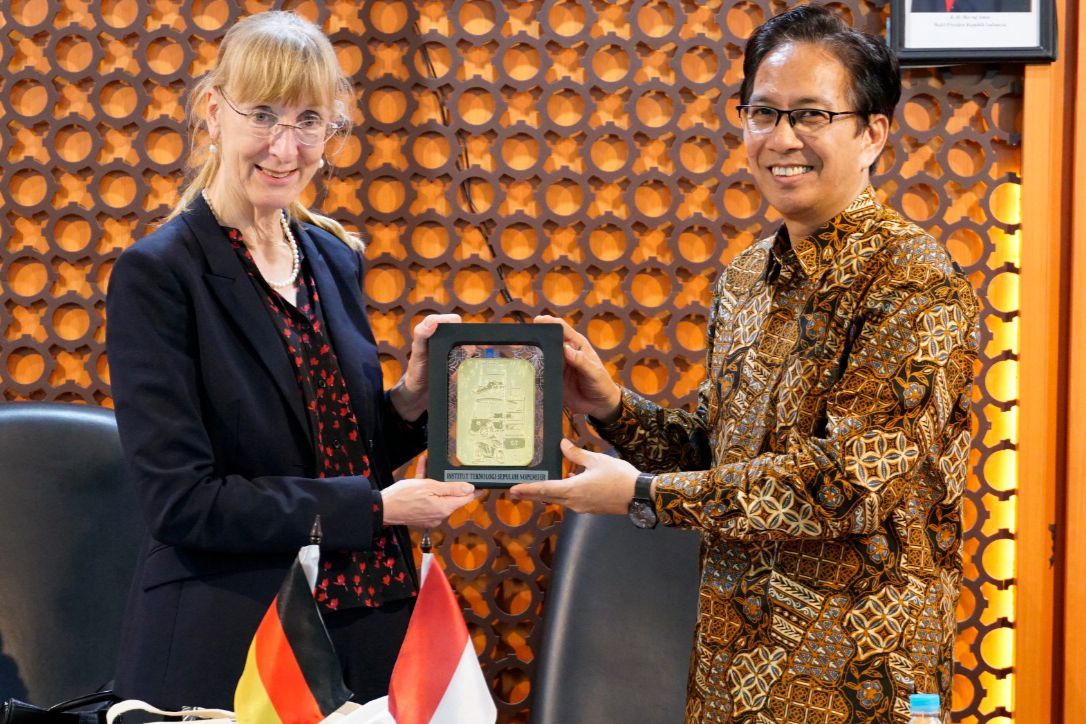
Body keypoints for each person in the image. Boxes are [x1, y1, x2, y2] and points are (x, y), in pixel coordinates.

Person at [511, 5, 978, 722]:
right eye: (763, 112)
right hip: (730, 682)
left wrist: (644, 496)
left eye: (811, 115)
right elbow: (718, 451)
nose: (781, 138)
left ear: (873, 132)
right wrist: (613, 407)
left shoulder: (913, 281)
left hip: (858, 689)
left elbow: (848, 484)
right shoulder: (746, 277)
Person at [106, 11, 475, 709]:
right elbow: (184, 503)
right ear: (213, 113)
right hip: (232, 646)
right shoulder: (158, 275)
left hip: (368, 631)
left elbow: (337, 444)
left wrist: (411, 400)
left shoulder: (334, 258)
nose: (285, 146)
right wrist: (373, 509)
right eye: (264, 115)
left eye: (310, 120)